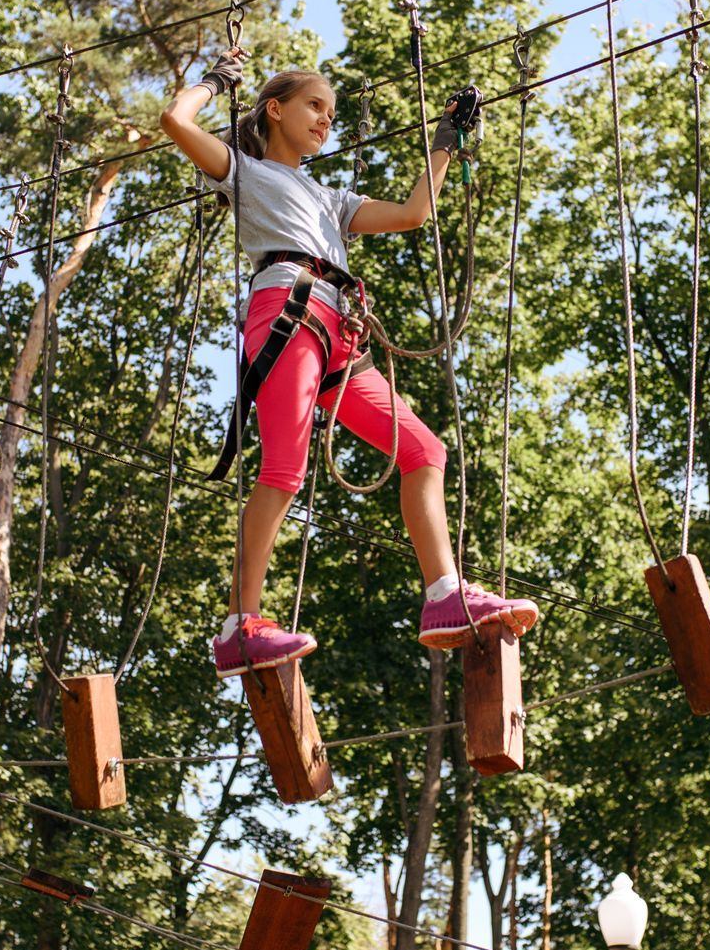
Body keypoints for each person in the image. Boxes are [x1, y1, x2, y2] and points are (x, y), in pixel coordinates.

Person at [159, 48, 539, 677]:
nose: (325, 121)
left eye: (332, 114)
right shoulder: (248, 172)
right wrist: (213, 82)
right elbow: (176, 122)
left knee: (424, 451)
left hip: (339, 327)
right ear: (274, 110)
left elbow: (416, 213)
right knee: (284, 466)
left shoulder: (329, 197)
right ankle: (240, 627)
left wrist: (446, 138)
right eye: (315, 106)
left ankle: (444, 597)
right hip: (287, 311)